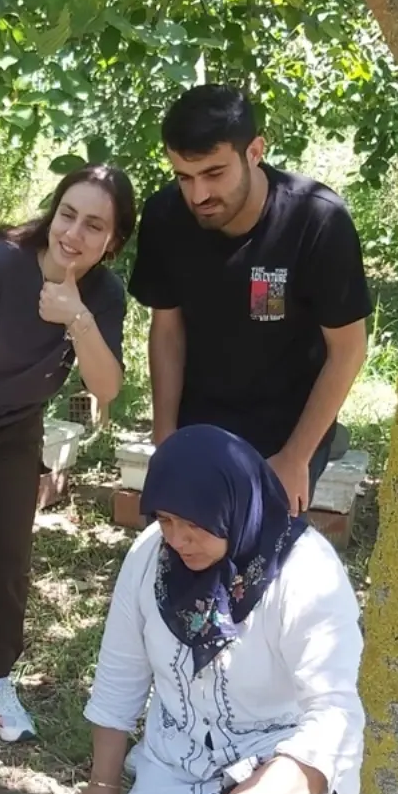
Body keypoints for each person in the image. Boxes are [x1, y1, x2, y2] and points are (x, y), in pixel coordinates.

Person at [0, 425, 364, 794]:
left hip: (275, 773)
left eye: (194, 524)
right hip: (179, 766)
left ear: (236, 510)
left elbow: (335, 720)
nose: (177, 539)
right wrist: (103, 793)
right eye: (165, 520)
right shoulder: (152, 560)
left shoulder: (305, 574)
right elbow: (120, 678)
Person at [0, 166, 135, 763]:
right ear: (52, 212)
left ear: (112, 241)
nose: (74, 233)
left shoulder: (105, 294)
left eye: (94, 226)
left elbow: (106, 384)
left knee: (11, 557)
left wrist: (75, 314)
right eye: (68, 214)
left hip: (16, 430)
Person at [129, 84, 372, 514]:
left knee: (260, 556)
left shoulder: (317, 221)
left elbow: (348, 350)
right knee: (189, 549)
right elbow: (167, 331)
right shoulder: (165, 217)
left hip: (289, 426)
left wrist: (296, 456)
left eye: (214, 173)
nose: (198, 195)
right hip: (198, 419)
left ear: (255, 151)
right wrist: (165, 439)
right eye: (184, 177)